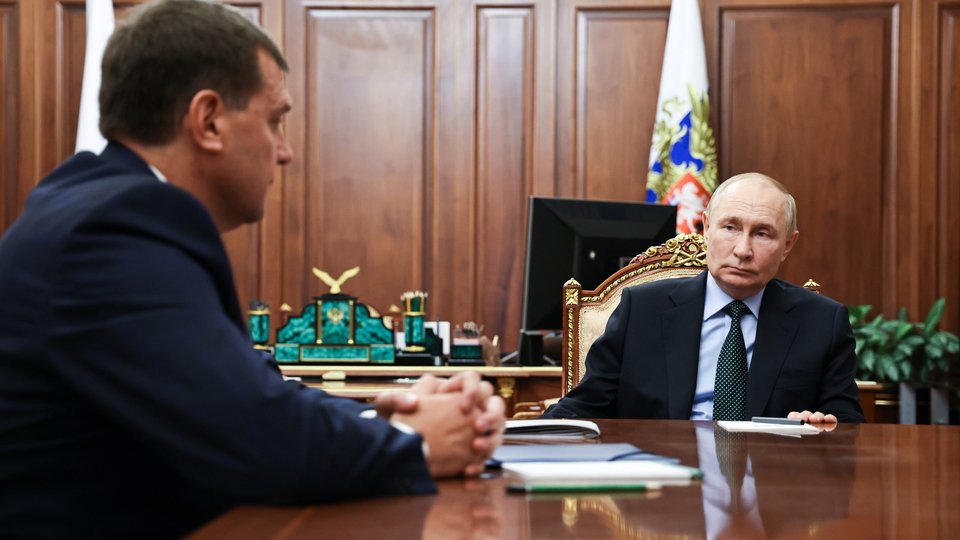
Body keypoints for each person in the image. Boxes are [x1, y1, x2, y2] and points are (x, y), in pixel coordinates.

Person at [0, 1, 504, 538]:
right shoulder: (116, 229)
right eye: (275, 121)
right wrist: (416, 441)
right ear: (209, 121)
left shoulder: (96, 206)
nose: (285, 152)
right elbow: (262, 441)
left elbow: (243, 393)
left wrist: (385, 417)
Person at [542, 172, 865, 424]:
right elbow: (587, 404)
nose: (743, 250)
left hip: (769, 478)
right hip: (662, 476)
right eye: (730, 227)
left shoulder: (822, 322)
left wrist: (821, 425)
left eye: (762, 233)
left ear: (788, 245)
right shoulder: (642, 309)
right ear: (706, 228)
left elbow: (846, 421)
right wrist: (524, 441)